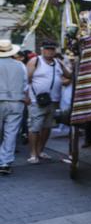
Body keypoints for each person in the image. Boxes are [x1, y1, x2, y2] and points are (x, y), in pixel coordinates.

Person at [26, 40, 71, 164]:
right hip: (36, 100)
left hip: (53, 101)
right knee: (34, 127)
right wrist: (27, 96)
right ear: (42, 49)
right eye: (47, 49)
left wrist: (65, 65)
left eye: (52, 49)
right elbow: (26, 80)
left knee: (47, 127)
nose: (49, 51)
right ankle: (33, 154)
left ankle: (40, 151)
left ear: (55, 50)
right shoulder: (35, 61)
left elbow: (69, 75)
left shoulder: (58, 63)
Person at [0, 40, 29, 175]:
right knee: (11, 133)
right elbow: (25, 85)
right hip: (16, 101)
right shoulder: (20, 65)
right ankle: (5, 163)